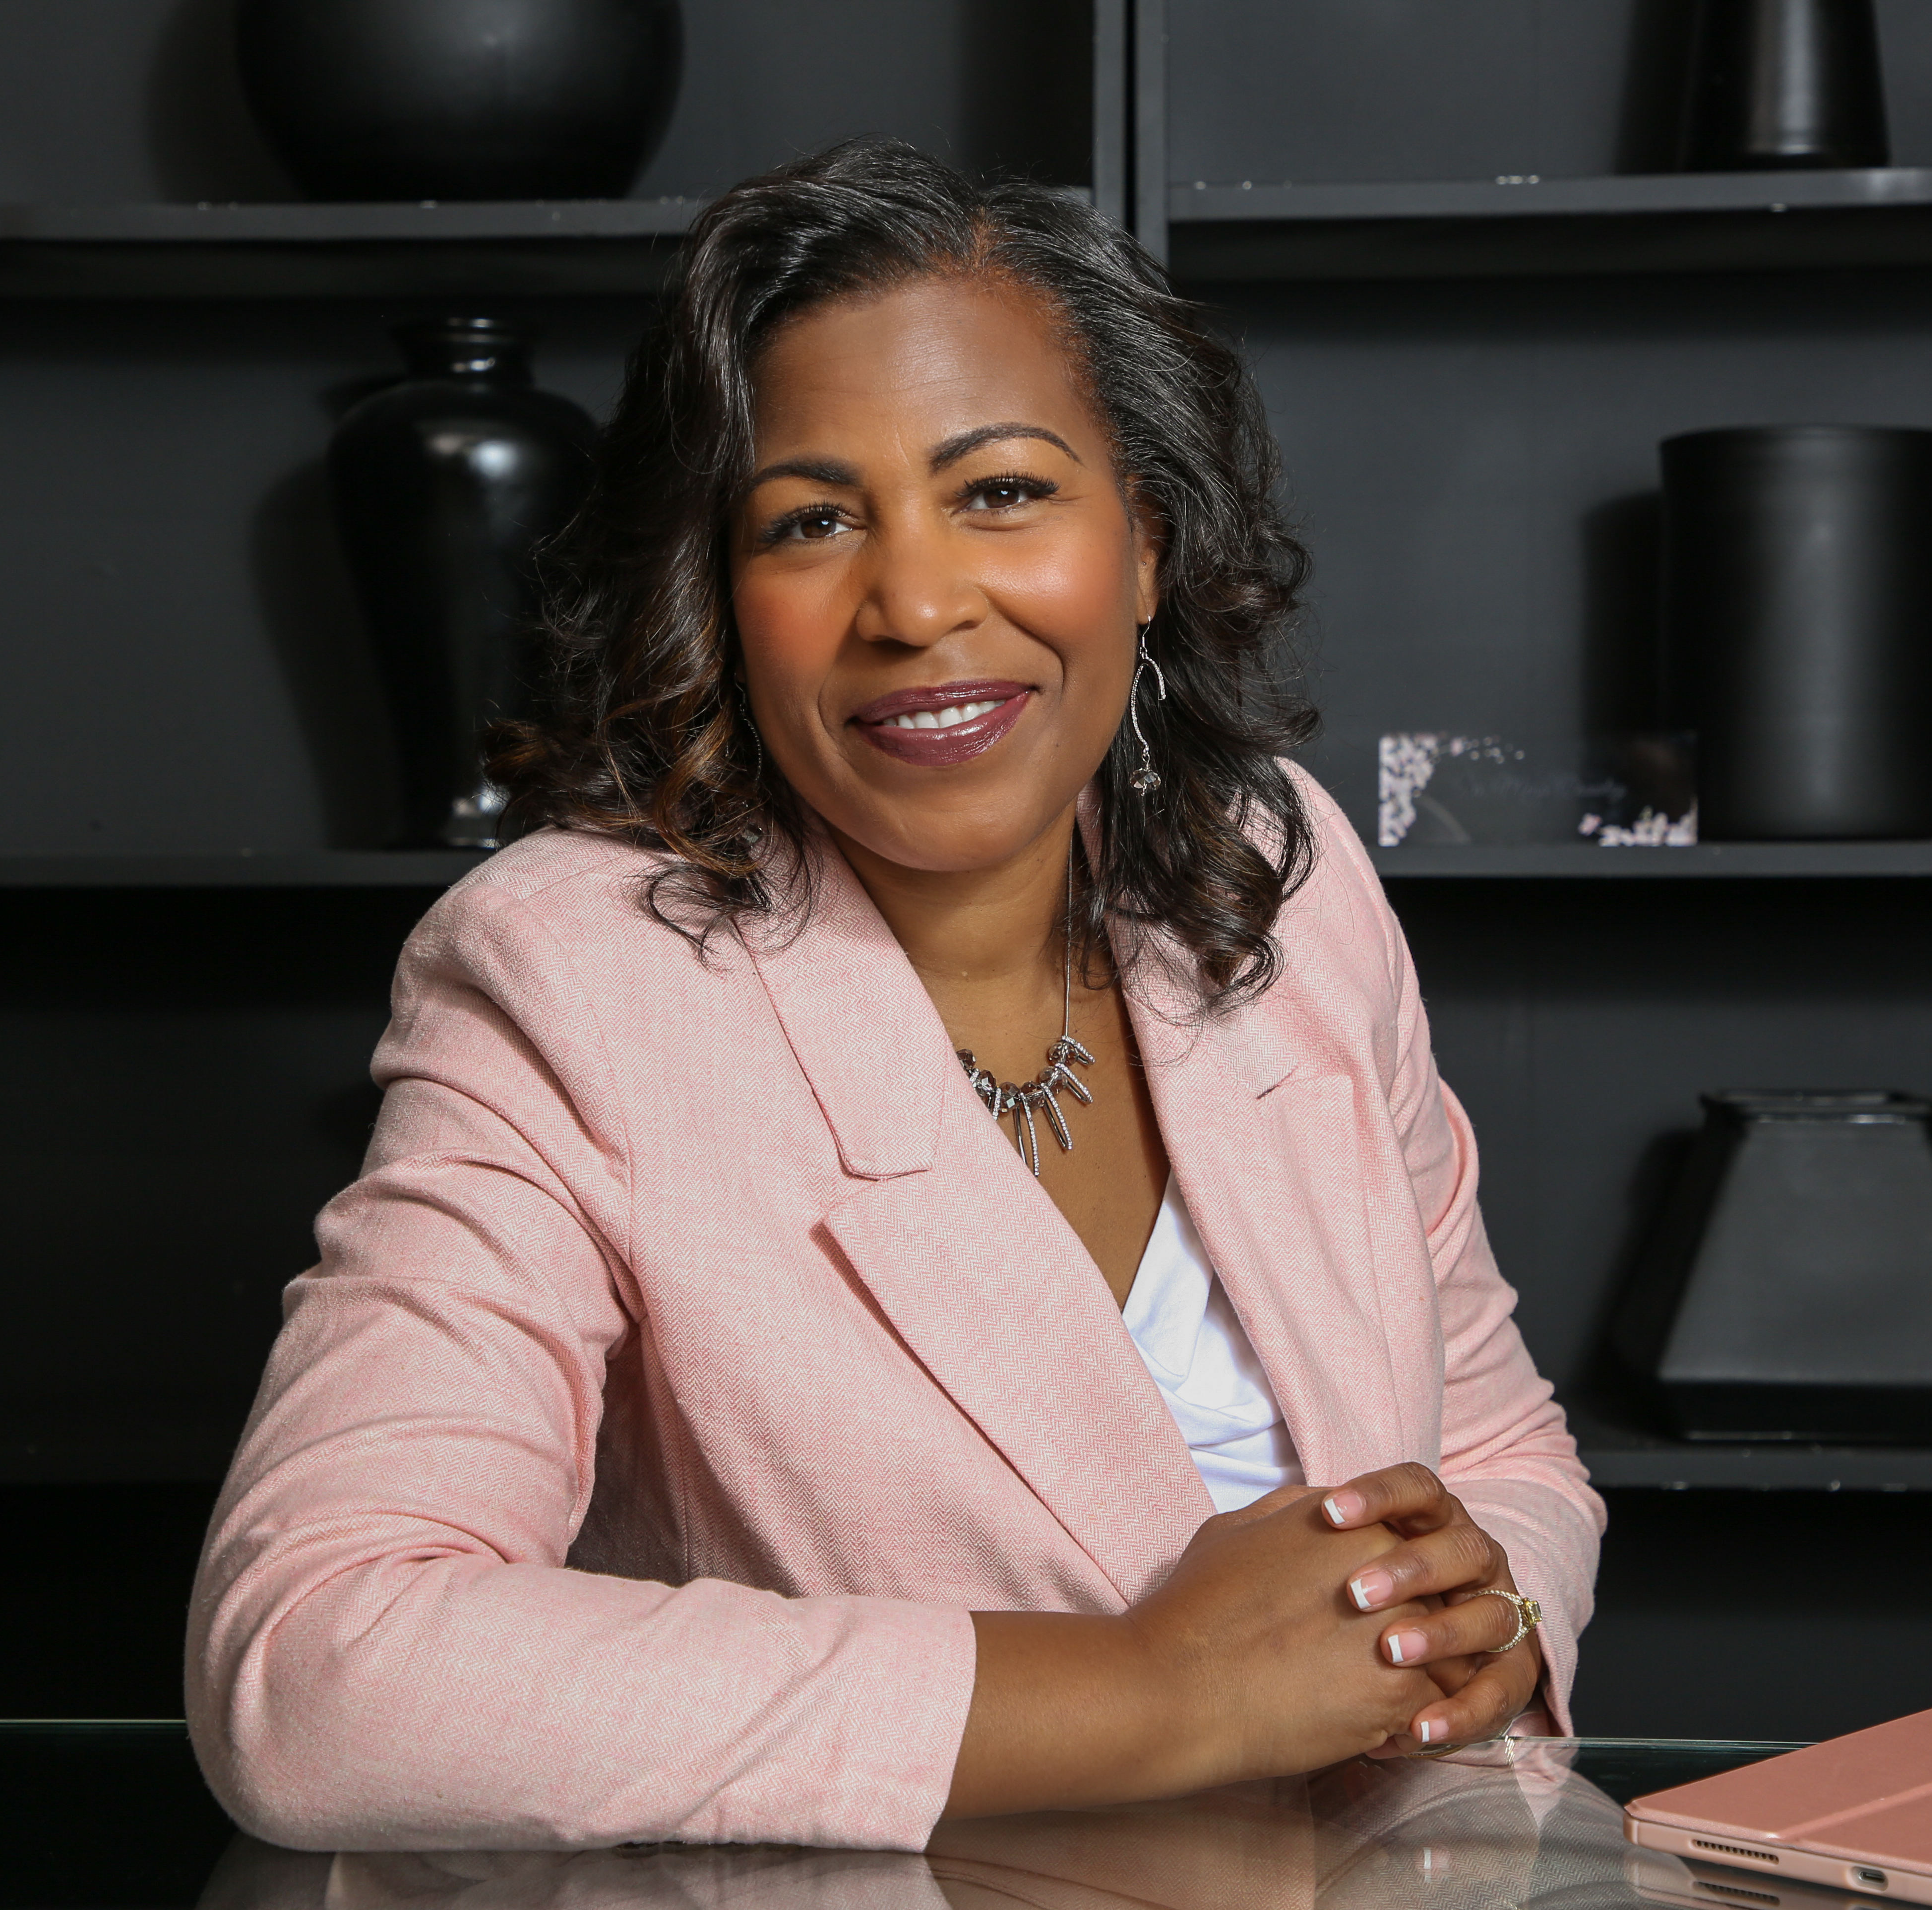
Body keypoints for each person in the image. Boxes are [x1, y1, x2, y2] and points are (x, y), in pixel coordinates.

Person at [187, 136, 1601, 1855]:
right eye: (811, 522)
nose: (918, 603)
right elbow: (321, 1669)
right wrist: (1153, 1690)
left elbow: (1501, 1449)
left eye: (1000, 491)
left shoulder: (1278, 871)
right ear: (721, 596)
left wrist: (1489, 1613)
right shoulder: (570, 975)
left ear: (1146, 543)